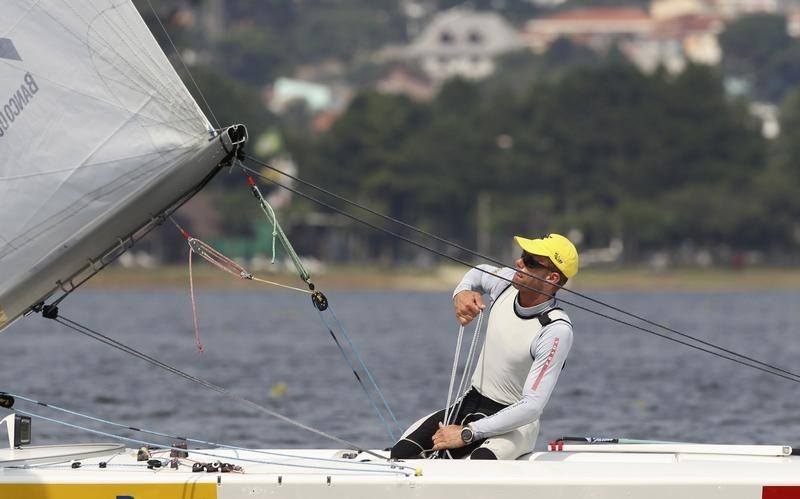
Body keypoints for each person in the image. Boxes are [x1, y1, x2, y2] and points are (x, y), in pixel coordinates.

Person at [390, 233, 578, 460]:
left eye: (530, 262)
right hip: (469, 404)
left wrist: (468, 434)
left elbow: (531, 407)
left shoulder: (555, 329)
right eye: (523, 256)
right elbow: (477, 272)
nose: (519, 262)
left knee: (480, 462)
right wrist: (461, 292)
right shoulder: (506, 284)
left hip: (516, 425)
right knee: (401, 454)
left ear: (552, 278)